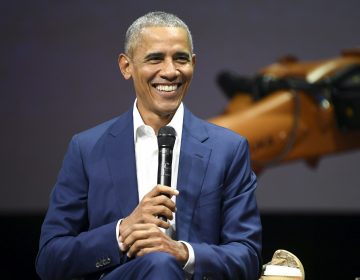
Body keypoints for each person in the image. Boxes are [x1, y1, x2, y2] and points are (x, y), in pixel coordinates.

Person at [36, 11, 262, 280]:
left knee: (163, 263)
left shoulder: (228, 149)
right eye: (155, 58)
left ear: (194, 63)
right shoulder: (87, 148)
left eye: (180, 59)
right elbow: (50, 259)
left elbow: (247, 256)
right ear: (126, 66)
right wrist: (122, 232)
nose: (170, 71)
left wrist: (183, 252)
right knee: (158, 264)